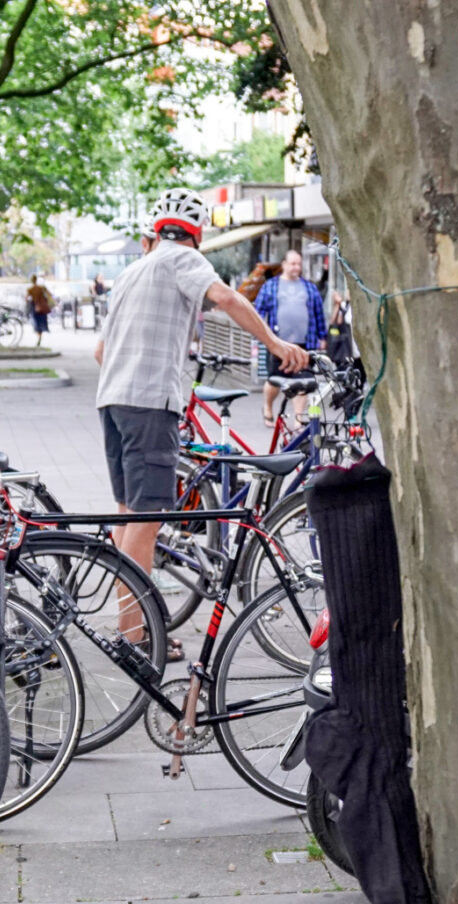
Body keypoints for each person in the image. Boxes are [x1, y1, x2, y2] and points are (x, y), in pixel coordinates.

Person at [94, 187, 310, 655]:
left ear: (155, 231)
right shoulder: (182, 259)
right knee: (147, 520)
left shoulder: (131, 272)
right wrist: (276, 345)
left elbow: (99, 352)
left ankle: (131, 625)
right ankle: (133, 637)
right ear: (197, 234)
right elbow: (225, 298)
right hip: (150, 403)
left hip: (112, 401)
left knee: (126, 516)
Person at [252, 248, 326, 425]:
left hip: (304, 343)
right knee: (274, 380)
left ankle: (298, 419)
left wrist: (322, 337)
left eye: (299, 264)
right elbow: (258, 313)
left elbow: (318, 313)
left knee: (303, 381)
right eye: (293, 263)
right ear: (284, 264)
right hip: (278, 343)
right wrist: (261, 337)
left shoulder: (309, 287)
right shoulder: (271, 286)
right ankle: (268, 408)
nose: (296, 267)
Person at [25, 274, 53, 346]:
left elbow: (26, 299)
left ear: (31, 281)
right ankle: (40, 336)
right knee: (41, 322)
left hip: (34, 307)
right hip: (42, 308)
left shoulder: (30, 289)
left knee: (36, 323)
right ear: (36, 280)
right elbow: (49, 294)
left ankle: (39, 336)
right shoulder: (42, 288)